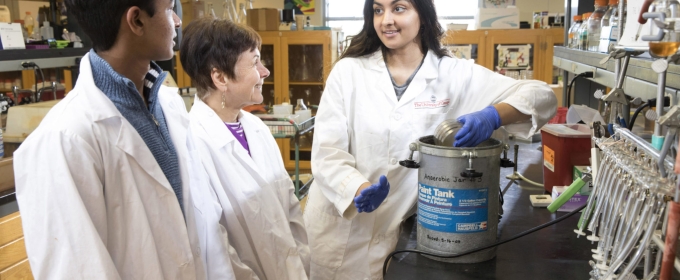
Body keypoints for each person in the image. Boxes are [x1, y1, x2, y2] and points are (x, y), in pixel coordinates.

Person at [305, 0, 557, 279]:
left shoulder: (455, 75)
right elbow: (327, 151)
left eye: (398, 8)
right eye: (378, 10)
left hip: (395, 234)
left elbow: (542, 96)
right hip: (336, 227)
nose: (386, 19)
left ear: (422, 16)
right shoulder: (349, 72)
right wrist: (356, 187)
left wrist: (492, 116)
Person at [13, 0, 205, 278]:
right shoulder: (63, 140)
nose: (177, 21)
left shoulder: (168, 104)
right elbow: (77, 270)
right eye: (168, 9)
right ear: (136, 21)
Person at [180, 17, 310, 280]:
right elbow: (217, 249)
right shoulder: (192, 146)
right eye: (254, 62)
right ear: (220, 77)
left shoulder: (256, 127)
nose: (265, 71)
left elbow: (289, 204)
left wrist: (302, 260)